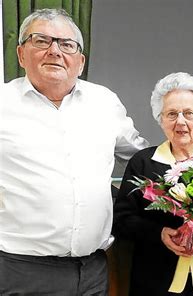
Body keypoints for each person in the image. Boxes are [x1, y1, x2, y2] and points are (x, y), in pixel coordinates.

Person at [0, 8, 149, 295]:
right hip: (19, 270)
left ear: (80, 61)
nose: (55, 50)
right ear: (21, 54)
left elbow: (142, 157)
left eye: (67, 44)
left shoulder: (104, 102)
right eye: (41, 40)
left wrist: (192, 167)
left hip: (93, 271)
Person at [113, 72, 193, 296]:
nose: (181, 121)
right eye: (171, 114)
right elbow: (122, 220)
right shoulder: (143, 163)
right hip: (154, 283)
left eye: (188, 113)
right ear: (161, 120)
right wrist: (159, 233)